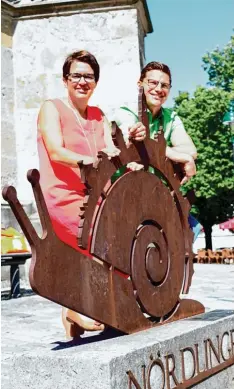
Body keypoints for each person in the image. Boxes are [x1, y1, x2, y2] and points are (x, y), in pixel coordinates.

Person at [37, 50, 123, 338]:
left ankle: (85, 310)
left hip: (96, 196)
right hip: (63, 196)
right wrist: (86, 160)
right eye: (76, 75)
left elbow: (110, 148)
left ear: (96, 82)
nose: (82, 81)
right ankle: (76, 305)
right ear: (65, 79)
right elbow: (55, 150)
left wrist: (115, 155)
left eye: (89, 76)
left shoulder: (99, 115)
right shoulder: (52, 108)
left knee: (121, 242)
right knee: (98, 241)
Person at [113, 61, 201, 238]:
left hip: (157, 193)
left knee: (193, 228)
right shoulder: (126, 112)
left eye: (164, 85)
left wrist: (187, 157)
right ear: (141, 84)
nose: (158, 89)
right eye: (152, 83)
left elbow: (189, 149)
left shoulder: (171, 117)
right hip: (126, 192)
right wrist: (181, 157)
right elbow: (138, 141)